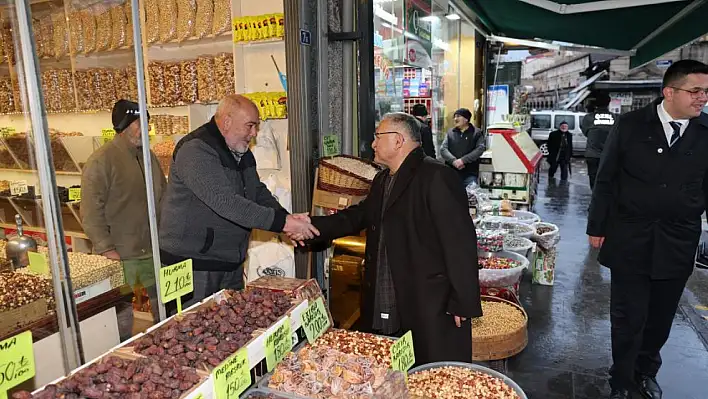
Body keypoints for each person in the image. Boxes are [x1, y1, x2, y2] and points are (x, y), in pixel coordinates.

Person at [291, 112, 482, 365]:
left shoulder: (437, 176)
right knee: (394, 369)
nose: (372, 144)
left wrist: (463, 301)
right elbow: (356, 217)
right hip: (391, 291)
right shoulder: (383, 179)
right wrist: (311, 227)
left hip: (429, 299)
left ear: (398, 140)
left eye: (377, 137)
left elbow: (460, 243)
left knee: (431, 371)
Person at [587, 60, 708, 399]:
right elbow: (606, 179)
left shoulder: (705, 132)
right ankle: (621, 380)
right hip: (630, 236)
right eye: (695, 91)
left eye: (706, 92)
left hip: (677, 239)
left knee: (660, 318)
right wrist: (597, 225)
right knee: (628, 316)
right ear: (669, 91)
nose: (702, 99)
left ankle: (645, 372)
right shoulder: (630, 125)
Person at [159, 94, 318, 305]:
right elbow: (227, 203)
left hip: (228, 262)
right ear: (227, 122)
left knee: (230, 330)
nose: (254, 134)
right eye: (250, 126)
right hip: (193, 265)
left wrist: (284, 218)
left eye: (256, 127)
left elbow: (257, 191)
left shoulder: (241, 152)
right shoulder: (196, 150)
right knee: (192, 330)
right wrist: (286, 224)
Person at [81, 99, 167, 335]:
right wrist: (106, 248)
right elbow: (90, 211)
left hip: (152, 249)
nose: (146, 128)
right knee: (121, 317)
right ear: (124, 125)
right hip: (121, 255)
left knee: (163, 310)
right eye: (140, 122)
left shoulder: (148, 156)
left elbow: (163, 195)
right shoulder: (101, 161)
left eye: (147, 122)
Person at [440, 108, 486, 187]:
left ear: (466, 119)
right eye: (454, 117)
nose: (455, 119)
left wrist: (463, 160)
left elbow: (480, 149)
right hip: (451, 173)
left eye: (458, 116)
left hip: (470, 174)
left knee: (471, 196)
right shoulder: (450, 132)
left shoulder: (476, 132)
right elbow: (443, 149)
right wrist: (454, 161)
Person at [581, 92, 616, 189]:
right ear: (608, 103)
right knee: (608, 181)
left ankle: (595, 199)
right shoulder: (616, 118)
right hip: (610, 155)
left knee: (594, 180)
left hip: (592, 154)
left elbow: (585, 132)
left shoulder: (588, 118)